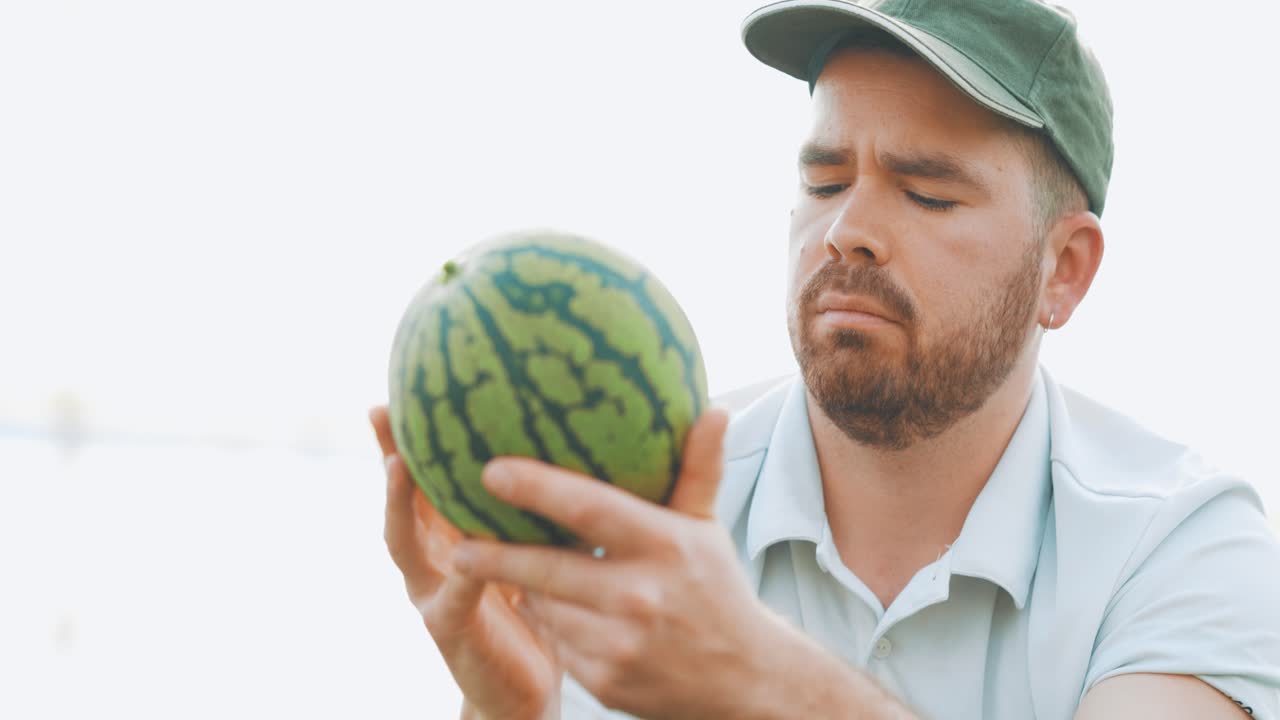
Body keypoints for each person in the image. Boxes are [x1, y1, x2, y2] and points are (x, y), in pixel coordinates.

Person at [369, 0, 1280, 717]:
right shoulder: (633, 515)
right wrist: (512, 715)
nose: (847, 232)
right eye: (825, 180)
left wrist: (765, 686)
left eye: (926, 194)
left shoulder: (1181, 549)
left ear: (1065, 270)